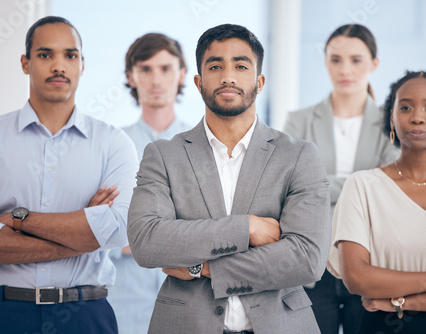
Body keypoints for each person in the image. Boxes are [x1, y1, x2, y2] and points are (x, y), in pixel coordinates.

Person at [127, 23, 331, 334]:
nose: (228, 76)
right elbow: (148, 241)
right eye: (215, 65)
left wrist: (204, 268)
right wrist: (246, 228)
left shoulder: (299, 156)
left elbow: (306, 259)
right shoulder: (163, 155)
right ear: (198, 82)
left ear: (259, 81)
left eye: (240, 65)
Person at [0, 16, 138, 334]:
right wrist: (85, 232)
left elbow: (120, 230)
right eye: (45, 54)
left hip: (85, 315)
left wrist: (16, 219)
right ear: (25, 63)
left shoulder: (113, 143)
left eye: (70, 55)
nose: (59, 66)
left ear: (82, 64)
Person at [328, 70, 426, 334]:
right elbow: (357, 278)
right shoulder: (362, 186)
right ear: (392, 119)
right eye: (405, 107)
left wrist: (399, 302)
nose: (417, 117)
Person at [283, 23, 399, 334]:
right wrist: (362, 182)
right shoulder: (300, 120)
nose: (345, 69)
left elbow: (389, 188)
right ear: (325, 62)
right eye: (335, 59)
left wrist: (319, 183)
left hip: (370, 263)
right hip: (311, 265)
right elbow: (289, 187)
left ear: (374, 64)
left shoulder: (393, 123)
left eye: (356, 60)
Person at [108, 32, 191, 334]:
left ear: (182, 74)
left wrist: (143, 238)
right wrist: (177, 238)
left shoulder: (206, 146)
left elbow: (212, 226)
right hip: (124, 305)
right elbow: (103, 229)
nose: (156, 79)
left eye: (165, 68)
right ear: (131, 76)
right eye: (145, 69)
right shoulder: (111, 146)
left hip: (190, 305)